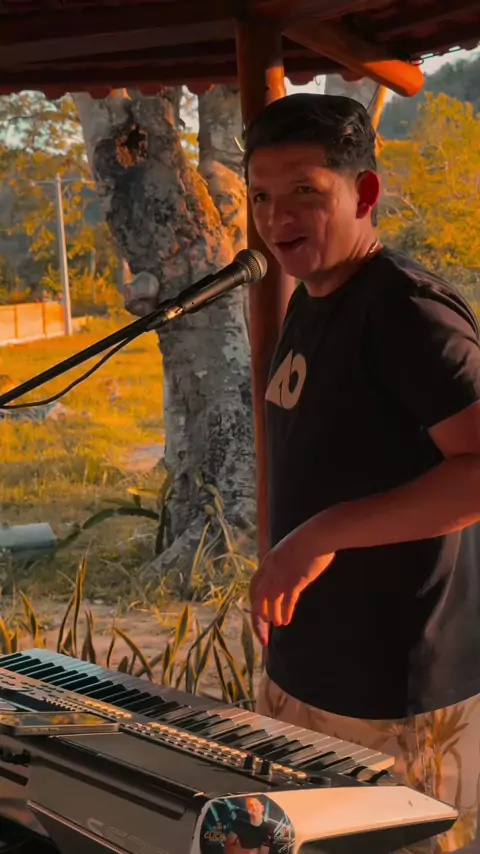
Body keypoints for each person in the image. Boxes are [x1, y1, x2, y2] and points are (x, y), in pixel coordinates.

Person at [245, 93, 480, 853]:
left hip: (396, 692)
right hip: (307, 670)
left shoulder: (409, 313)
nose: (277, 216)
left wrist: (319, 535)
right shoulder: (311, 299)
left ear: (364, 192)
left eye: (304, 190)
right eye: (260, 196)